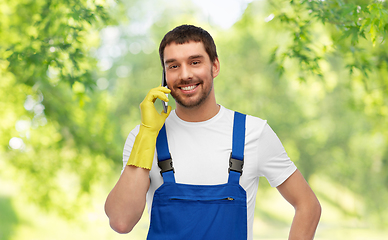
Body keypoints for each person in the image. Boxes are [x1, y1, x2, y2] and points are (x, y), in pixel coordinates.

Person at [105, 24, 321, 240]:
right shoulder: (144, 137)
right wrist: (147, 134)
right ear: (164, 75)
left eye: (195, 62)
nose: (185, 74)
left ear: (215, 66)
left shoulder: (252, 133)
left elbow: (308, 205)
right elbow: (121, 221)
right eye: (173, 66)